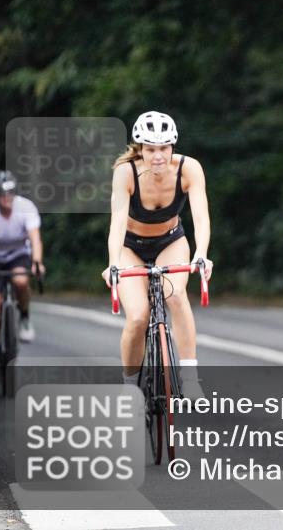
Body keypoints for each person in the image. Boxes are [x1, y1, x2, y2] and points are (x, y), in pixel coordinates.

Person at [101, 112, 213, 399]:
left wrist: (201, 254)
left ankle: (189, 379)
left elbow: (200, 217)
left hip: (169, 241)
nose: (158, 156)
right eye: (150, 149)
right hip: (130, 246)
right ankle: (130, 387)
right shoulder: (125, 173)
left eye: (163, 148)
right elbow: (116, 222)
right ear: (140, 149)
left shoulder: (190, 169)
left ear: (172, 147)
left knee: (175, 295)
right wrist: (113, 263)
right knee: (138, 317)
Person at [0, 171, 44, 382]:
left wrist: (37, 262)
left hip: (18, 254)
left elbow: (35, 239)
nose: (8, 198)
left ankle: (24, 317)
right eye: (3, 194)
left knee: (21, 280)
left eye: (11, 193)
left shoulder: (25, 207)